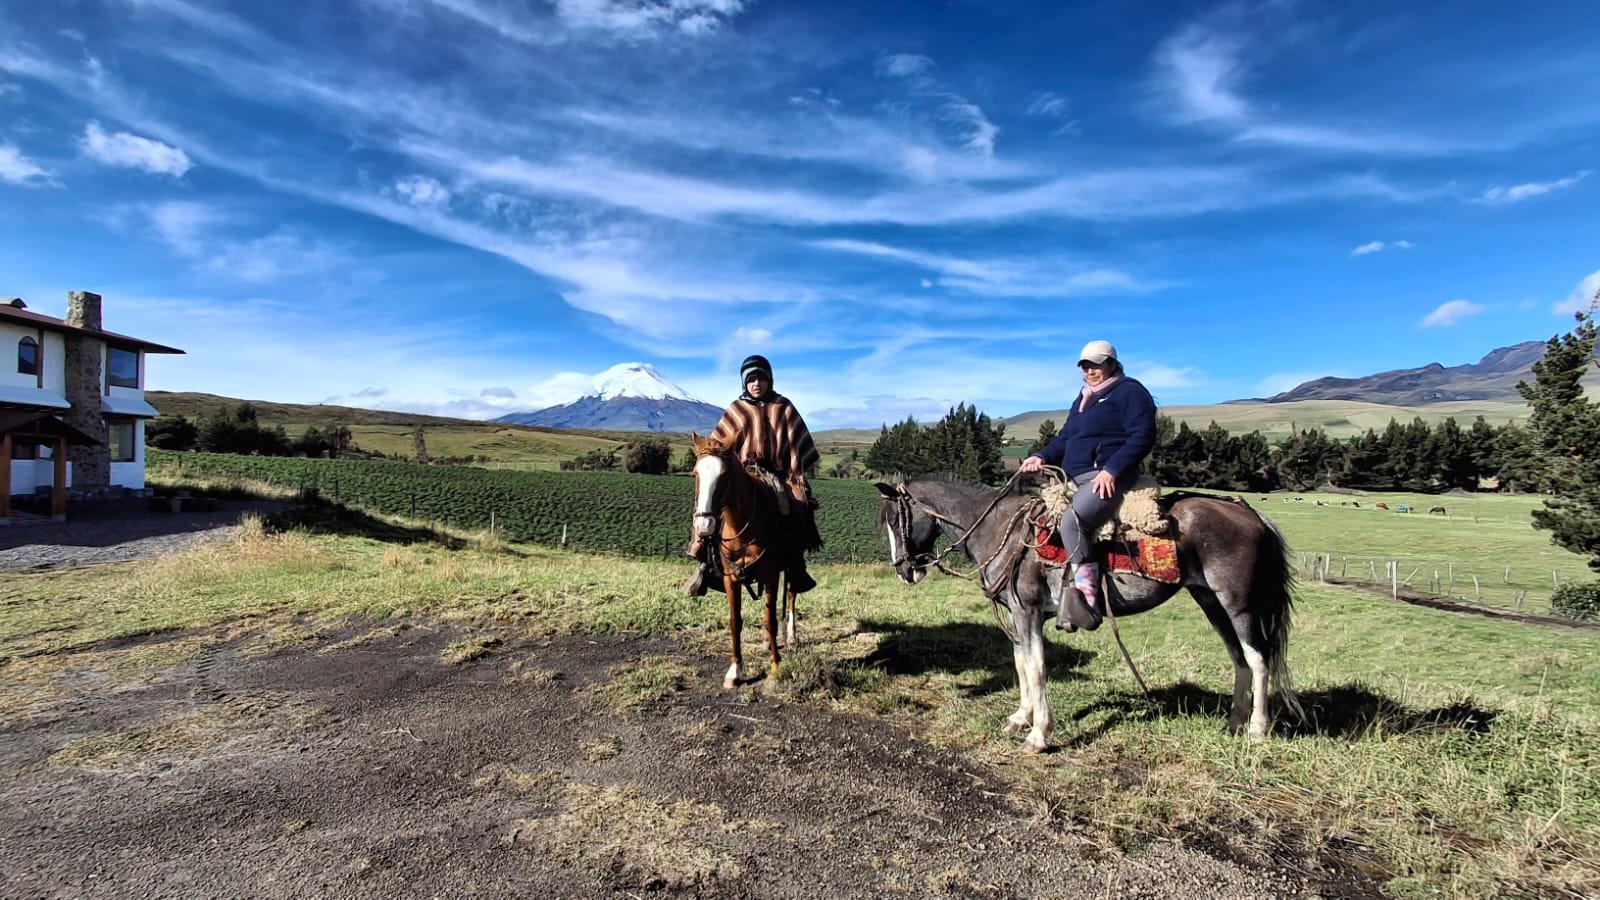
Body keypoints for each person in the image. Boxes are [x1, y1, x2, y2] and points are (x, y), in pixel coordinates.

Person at [1018, 340, 1157, 630]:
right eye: (1085, 366)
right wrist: (1040, 456)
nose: (1090, 371)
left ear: (1111, 363)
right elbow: (1066, 439)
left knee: (1072, 523)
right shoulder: (1083, 399)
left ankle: (1088, 602)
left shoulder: (1130, 391)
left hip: (1107, 476)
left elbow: (1142, 436)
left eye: (1096, 364)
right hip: (1073, 476)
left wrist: (1112, 469)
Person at [684, 354, 822, 597]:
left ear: (769, 380)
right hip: (743, 473)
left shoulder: (783, 406)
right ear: (744, 382)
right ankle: (705, 560)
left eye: (761, 378)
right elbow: (718, 446)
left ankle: (796, 565)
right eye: (751, 379)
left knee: (797, 504)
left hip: (778, 474)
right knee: (711, 503)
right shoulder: (736, 409)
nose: (756, 383)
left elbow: (796, 442)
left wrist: (794, 473)